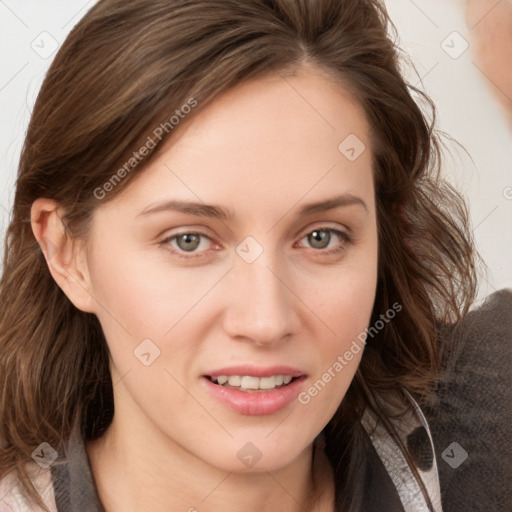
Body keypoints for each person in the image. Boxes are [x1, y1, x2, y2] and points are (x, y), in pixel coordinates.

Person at [0, 1, 509, 511]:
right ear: (67, 253)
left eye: (320, 237)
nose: (266, 321)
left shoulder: (481, 438)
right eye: (189, 241)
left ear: (387, 235)